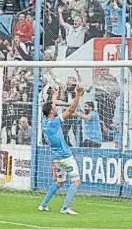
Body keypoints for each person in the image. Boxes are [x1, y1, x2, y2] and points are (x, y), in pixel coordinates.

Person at [38, 84, 83, 215]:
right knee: (76, 181)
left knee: (60, 181)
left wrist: (55, 95)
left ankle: (43, 205)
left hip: (56, 158)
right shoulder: (54, 122)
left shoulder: (44, 121)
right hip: (66, 156)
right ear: (51, 112)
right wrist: (78, 93)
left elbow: (50, 107)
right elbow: (71, 109)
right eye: (54, 107)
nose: (56, 107)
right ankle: (65, 208)